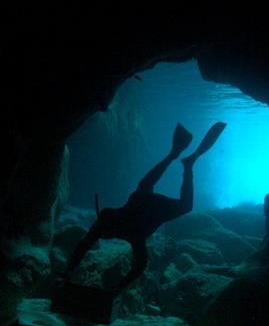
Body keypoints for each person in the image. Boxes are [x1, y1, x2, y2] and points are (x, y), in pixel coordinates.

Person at [63, 121, 227, 293]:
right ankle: (176, 157)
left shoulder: (129, 233)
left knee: (184, 205)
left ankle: (186, 163)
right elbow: (138, 265)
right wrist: (117, 286)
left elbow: (138, 265)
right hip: (141, 202)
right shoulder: (112, 226)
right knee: (146, 183)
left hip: (155, 210)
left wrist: (117, 286)